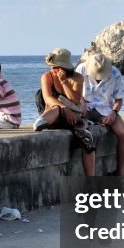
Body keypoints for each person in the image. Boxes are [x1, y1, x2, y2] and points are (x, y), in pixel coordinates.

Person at [34, 48, 97, 176]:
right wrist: (64, 108)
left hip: (74, 117)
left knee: (87, 141)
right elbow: (47, 97)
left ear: (64, 67)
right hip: (56, 113)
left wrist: (64, 82)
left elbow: (74, 99)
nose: (53, 70)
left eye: (56, 67)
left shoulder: (77, 78)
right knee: (56, 109)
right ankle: (41, 122)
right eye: (51, 67)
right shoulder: (47, 77)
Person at [76, 53, 124, 176]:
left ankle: (120, 172)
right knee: (86, 136)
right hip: (84, 107)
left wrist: (114, 113)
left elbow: (119, 99)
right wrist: (81, 103)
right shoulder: (81, 69)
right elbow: (74, 92)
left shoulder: (115, 73)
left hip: (106, 109)